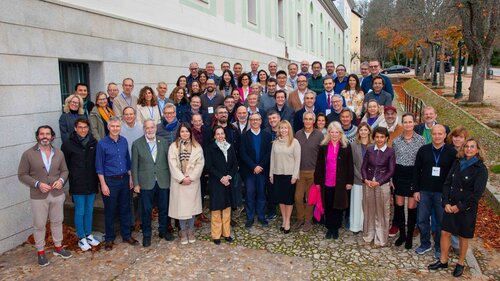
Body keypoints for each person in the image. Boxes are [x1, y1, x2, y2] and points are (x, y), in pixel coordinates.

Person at [428, 138, 488, 277]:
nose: (468, 149)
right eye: (466, 146)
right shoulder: (457, 162)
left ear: (478, 149)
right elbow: (447, 183)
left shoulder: (481, 169)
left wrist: (459, 207)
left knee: (463, 236)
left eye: (472, 147)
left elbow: (476, 194)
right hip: (450, 205)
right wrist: (446, 202)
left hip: (466, 208)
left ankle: (460, 263)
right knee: (445, 233)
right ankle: (443, 260)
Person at [18, 125, 71, 266]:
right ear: (37, 136)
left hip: (57, 194)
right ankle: (40, 252)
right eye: (42, 134)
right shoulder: (28, 154)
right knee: (39, 225)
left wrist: (61, 181)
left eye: (48, 134)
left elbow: (65, 171)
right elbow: (22, 174)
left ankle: (58, 247)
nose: (45, 136)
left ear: (52, 136)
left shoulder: (59, 153)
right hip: (38, 196)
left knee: (57, 221)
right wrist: (37, 184)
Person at [95, 117, 139, 251]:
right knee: (110, 210)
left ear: (120, 127)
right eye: (113, 126)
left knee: (125, 208)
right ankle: (109, 238)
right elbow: (99, 166)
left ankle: (126, 235)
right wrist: (103, 184)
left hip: (124, 179)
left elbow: (127, 160)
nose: (115, 129)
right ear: (108, 127)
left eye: (117, 126)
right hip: (110, 181)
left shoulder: (124, 141)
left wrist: (131, 177)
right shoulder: (102, 144)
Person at [413, 125, 456, 259]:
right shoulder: (423, 150)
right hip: (424, 191)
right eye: (435, 134)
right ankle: (425, 243)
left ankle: (439, 246)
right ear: (431, 134)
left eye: (440, 134)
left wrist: (449, 195)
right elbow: (416, 170)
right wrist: (416, 190)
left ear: (445, 135)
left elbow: (454, 174)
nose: (437, 136)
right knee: (422, 219)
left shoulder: (451, 152)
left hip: (441, 193)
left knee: (440, 221)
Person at [131, 119, 174, 247]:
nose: (150, 130)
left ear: (155, 128)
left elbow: (169, 162)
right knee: (146, 210)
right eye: (147, 128)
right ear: (144, 129)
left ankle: (163, 231)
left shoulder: (163, 142)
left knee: (164, 208)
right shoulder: (137, 144)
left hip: (163, 180)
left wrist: (171, 180)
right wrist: (136, 183)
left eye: (152, 127)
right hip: (146, 182)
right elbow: (134, 166)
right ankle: (147, 235)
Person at [61, 118, 100, 251]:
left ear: (88, 128)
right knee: (80, 210)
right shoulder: (67, 144)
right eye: (80, 127)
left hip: (91, 181)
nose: (83, 130)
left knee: (89, 210)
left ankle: (89, 234)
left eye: (85, 127)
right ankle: (81, 237)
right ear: (75, 128)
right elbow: (64, 165)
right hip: (77, 182)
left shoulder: (93, 142)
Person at [314, 122, 354, 239]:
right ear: (329, 133)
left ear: (340, 133)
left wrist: (349, 182)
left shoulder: (346, 146)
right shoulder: (323, 146)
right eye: (332, 132)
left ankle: (335, 228)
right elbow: (319, 165)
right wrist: (317, 181)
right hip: (326, 182)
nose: (334, 134)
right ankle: (329, 227)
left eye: (337, 132)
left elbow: (350, 165)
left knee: (338, 206)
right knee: (328, 205)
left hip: (340, 183)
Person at [392, 113, 426, 249]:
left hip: (414, 175)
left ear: (414, 123)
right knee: (399, 206)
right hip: (399, 174)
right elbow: (393, 161)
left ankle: (410, 235)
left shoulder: (421, 140)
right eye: (405, 122)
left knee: (411, 207)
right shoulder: (396, 141)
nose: (407, 124)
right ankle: (402, 234)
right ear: (402, 123)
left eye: (410, 122)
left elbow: (422, 162)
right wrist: (391, 178)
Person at [168, 123, 204, 245]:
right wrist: (182, 178)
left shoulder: (197, 147)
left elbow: (200, 164)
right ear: (179, 133)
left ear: (190, 132)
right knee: (181, 210)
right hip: (179, 182)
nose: (185, 133)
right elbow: (172, 164)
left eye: (187, 131)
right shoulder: (173, 147)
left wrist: (191, 177)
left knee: (191, 209)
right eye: (182, 131)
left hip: (192, 183)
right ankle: (183, 231)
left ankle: (191, 230)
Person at [361, 126, 396, 247]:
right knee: (369, 210)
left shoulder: (390, 151)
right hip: (369, 183)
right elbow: (363, 167)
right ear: (374, 137)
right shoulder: (370, 150)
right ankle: (368, 236)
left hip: (382, 185)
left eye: (382, 137)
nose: (379, 139)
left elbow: (391, 170)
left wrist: (379, 182)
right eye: (377, 137)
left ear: (386, 138)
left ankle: (380, 239)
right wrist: (365, 179)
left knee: (381, 212)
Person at [204, 126, 239, 245]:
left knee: (227, 209)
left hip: (228, 182)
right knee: (216, 209)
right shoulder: (210, 149)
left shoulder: (229, 147)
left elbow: (235, 164)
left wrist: (228, 176)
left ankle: (227, 233)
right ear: (214, 136)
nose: (220, 136)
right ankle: (216, 235)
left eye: (222, 133)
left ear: (225, 135)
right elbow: (209, 166)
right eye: (217, 134)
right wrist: (221, 177)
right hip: (216, 182)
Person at [240, 113, 272, 229]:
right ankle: (250, 217)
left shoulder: (267, 136)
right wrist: (254, 166)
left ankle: (261, 216)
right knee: (249, 194)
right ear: (249, 121)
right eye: (252, 120)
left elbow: (269, 153)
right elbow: (243, 153)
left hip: (262, 171)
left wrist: (260, 166)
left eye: (257, 119)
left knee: (262, 194)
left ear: (261, 121)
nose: (255, 122)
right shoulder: (244, 136)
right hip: (250, 171)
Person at [294, 112, 324, 232]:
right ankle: (300, 218)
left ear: (314, 121)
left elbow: (322, 155)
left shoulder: (319, 135)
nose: (307, 121)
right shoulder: (298, 134)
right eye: (305, 119)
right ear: (303, 120)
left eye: (310, 119)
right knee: (298, 197)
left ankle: (308, 220)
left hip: (313, 172)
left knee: (310, 198)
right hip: (300, 171)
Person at [269, 121, 301, 233]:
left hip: (289, 176)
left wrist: (295, 175)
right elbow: (272, 159)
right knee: (281, 200)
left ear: (289, 129)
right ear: (278, 130)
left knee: (288, 200)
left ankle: (287, 222)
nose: (283, 130)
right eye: (281, 128)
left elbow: (298, 160)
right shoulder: (275, 142)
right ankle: (283, 219)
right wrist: (271, 174)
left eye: (285, 128)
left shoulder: (294, 142)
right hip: (277, 175)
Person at [445, 126, 470, 251]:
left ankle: (456, 245)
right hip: (447, 187)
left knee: (458, 217)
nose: (457, 139)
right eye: (455, 136)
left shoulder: (467, 153)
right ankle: (447, 242)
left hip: (461, 190)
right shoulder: (447, 150)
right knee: (448, 217)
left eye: (461, 137)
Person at [350, 123, 372, 233]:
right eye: (361, 130)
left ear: (369, 131)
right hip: (358, 179)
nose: (363, 132)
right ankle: (356, 226)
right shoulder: (354, 145)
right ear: (358, 132)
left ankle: (367, 226)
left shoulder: (373, 145)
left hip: (371, 180)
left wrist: (369, 178)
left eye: (365, 130)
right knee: (357, 203)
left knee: (369, 205)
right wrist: (362, 177)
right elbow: (352, 164)